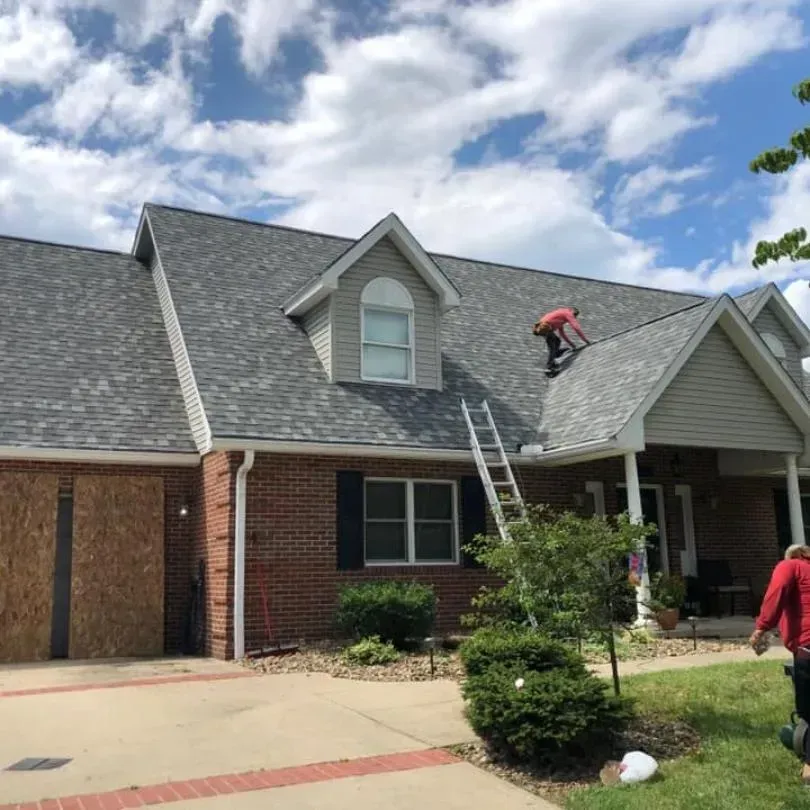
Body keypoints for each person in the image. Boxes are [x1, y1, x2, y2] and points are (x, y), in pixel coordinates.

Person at [750, 544, 810, 785]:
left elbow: (777, 592)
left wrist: (762, 626)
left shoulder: (789, 566)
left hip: (808, 646)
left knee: (809, 709)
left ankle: (809, 765)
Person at [532, 306, 590, 372]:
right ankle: (550, 366)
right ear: (574, 313)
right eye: (575, 316)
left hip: (543, 327)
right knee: (552, 346)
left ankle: (555, 354)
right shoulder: (568, 313)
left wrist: (572, 345)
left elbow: (562, 334)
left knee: (557, 341)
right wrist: (586, 341)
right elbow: (576, 328)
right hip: (544, 328)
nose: (574, 318)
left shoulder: (561, 317)